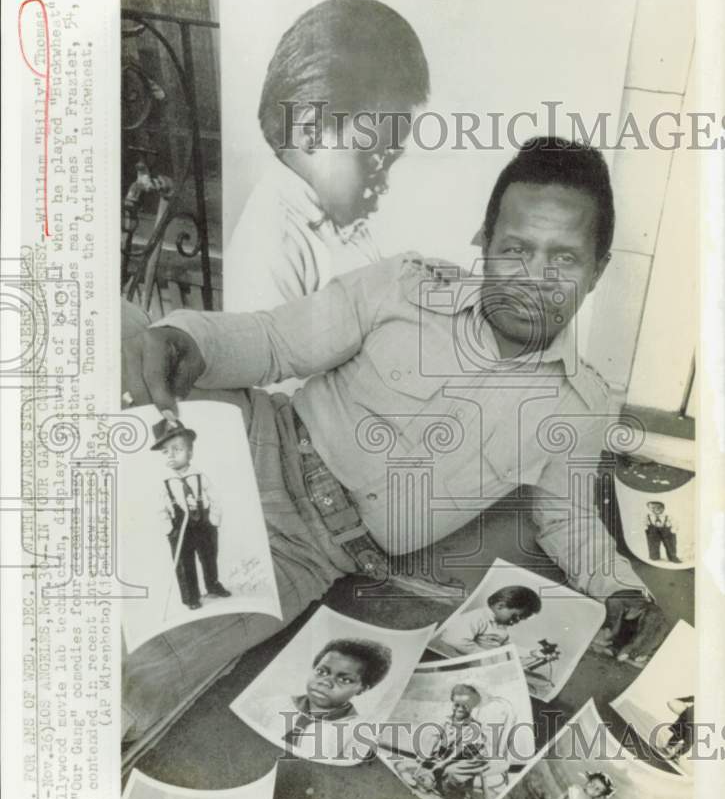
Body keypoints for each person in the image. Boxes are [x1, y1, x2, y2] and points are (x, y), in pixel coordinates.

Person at [126, 137, 669, 670]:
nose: (534, 280)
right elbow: (274, 341)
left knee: (143, 662)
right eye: (516, 249)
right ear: (484, 239)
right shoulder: (405, 286)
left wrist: (621, 590)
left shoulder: (583, 406)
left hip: (310, 556)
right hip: (254, 443)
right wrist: (190, 338)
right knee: (117, 348)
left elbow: (568, 517)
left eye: (566, 259)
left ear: (597, 271)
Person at [225, 0, 430, 316]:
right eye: (375, 158)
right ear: (311, 131)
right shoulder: (270, 247)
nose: (384, 185)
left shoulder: (337, 219)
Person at [253, 638, 392, 761]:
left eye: (344, 679)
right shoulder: (271, 704)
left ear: (362, 689)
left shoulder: (357, 734)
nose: (325, 682)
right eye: (322, 672)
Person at [152, 418, 231, 610]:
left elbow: (215, 498)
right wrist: (169, 528)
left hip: (204, 524)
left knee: (209, 555)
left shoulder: (199, 476)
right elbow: (159, 508)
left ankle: (213, 584)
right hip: (179, 528)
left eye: (177, 449)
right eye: (165, 452)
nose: (170, 455)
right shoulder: (164, 482)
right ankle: (191, 597)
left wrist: (214, 519)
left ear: (190, 452)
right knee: (183, 563)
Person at [410, 684, 490, 799]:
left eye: (465, 706)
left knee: (450, 771)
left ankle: (464, 794)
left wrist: (443, 763)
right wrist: (425, 754)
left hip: (470, 757)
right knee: (429, 761)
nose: (459, 709)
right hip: (452, 753)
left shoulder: (473, 727)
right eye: (456, 705)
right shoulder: (447, 720)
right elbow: (435, 736)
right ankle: (431, 780)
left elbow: (458, 752)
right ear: (452, 703)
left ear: (472, 707)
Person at [435, 585, 541, 656]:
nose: (517, 621)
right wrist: (486, 656)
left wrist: (530, 652)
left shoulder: (501, 625)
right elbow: (454, 640)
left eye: (521, 619)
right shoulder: (478, 617)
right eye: (515, 617)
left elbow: (505, 646)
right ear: (500, 606)